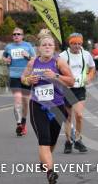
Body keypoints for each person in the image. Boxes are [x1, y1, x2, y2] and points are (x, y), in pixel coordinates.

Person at [21, 29, 74, 183]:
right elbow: (23, 78)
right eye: (44, 45)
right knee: (44, 139)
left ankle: (44, 161)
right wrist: (29, 80)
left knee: (52, 141)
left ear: (54, 47)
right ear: (39, 47)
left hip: (57, 105)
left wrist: (56, 75)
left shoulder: (59, 62)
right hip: (37, 105)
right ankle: (50, 172)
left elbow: (71, 81)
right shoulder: (33, 62)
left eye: (50, 45)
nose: (47, 47)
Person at [59, 33, 95, 154]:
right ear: (70, 43)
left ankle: (78, 140)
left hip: (80, 88)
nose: (77, 46)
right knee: (68, 117)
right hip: (67, 89)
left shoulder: (86, 55)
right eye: (74, 43)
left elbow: (92, 67)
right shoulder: (63, 56)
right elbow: (57, 70)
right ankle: (68, 141)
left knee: (79, 115)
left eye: (79, 43)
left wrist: (89, 77)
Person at [2, 27, 36, 136]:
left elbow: (35, 60)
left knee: (25, 102)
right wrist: (6, 60)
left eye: (18, 34)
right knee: (17, 99)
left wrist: (28, 56)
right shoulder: (9, 47)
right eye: (14, 34)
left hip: (26, 77)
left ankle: (24, 124)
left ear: (22, 36)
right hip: (14, 76)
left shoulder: (28, 46)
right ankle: (19, 124)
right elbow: (3, 56)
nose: (16, 36)